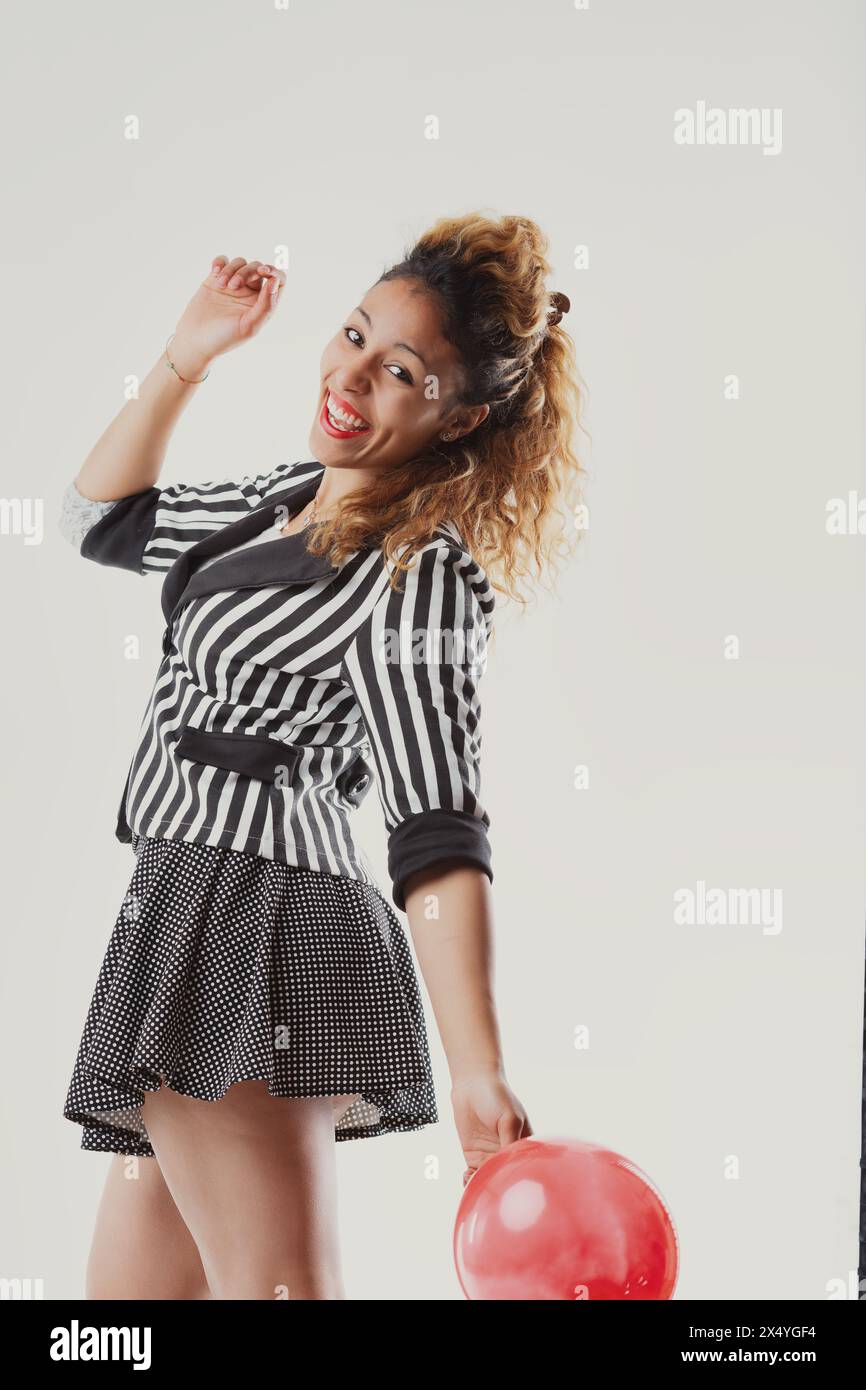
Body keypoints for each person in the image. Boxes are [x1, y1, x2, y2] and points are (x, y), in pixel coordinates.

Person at [59, 211, 586, 1300]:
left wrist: (476, 1067)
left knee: (279, 1295)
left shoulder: (417, 577)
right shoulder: (277, 499)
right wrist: (187, 354)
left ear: (460, 417)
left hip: (250, 923)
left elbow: (437, 827)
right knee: (119, 1325)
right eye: (353, 335)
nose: (352, 377)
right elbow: (95, 519)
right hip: (180, 902)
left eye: (402, 372)